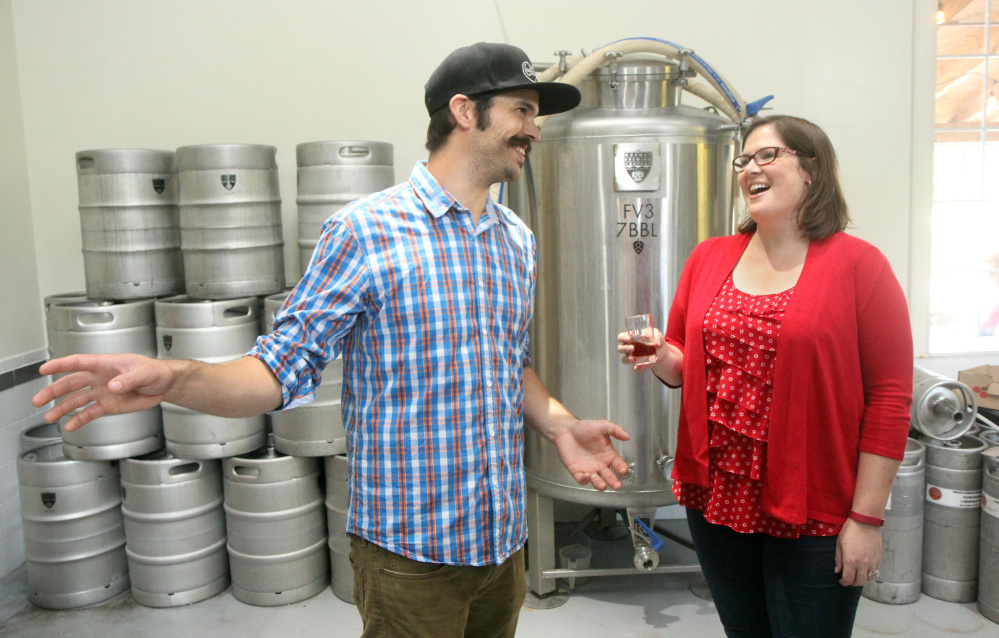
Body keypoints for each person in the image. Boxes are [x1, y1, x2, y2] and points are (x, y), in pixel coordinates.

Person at [33, 42, 632, 638]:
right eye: (521, 111)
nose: (532, 129)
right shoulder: (364, 232)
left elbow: (509, 366)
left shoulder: (515, 241)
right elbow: (278, 371)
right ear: (464, 112)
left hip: (502, 542)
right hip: (410, 554)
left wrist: (559, 427)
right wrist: (175, 380)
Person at [617, 115, 912, 637]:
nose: (750, 167)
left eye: (767, 155)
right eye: (743, 159)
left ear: (813, 170)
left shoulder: (861, 267)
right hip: (719, 501)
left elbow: (889, 400)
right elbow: (687, 362)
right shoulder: (710, 258)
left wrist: (866, 520)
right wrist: (660, 354)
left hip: (816, 509)